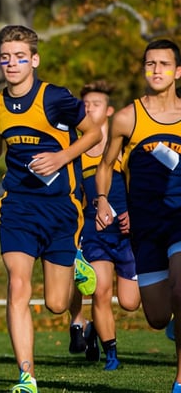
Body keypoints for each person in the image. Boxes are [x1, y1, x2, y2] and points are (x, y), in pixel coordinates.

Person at [0, 25, 102, 392]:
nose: (11, 64)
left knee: (56, 304)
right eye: (5, 57)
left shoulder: (56, 98)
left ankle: (76, 262)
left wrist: (61, 157)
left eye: (19, 57)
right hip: (17, 206)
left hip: (61, 208)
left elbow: (93, 134)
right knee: (17, 285)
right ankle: (26, 376)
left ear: (34, 60)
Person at [95, 39, 181, 392]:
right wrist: (102, 199)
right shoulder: (127, 118)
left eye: (163, 64)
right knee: (158, 317)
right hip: (146, 228)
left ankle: (179, 380)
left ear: (178, 72)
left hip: (179, 218)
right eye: (150, 64)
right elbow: (104, 165)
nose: (156, 70)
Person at [67, 80, 140, 370]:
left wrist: (132, 213)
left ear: (109, 110)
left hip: (126, 233)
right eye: (85, 105)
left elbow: (141, 185)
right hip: (94, 232)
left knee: (130, 302)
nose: (89, 109)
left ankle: (95, 329)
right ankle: (112, 355)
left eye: (95, 104)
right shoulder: (76, 150)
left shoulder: (123, 146)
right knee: (99, 290)